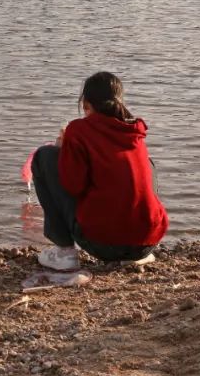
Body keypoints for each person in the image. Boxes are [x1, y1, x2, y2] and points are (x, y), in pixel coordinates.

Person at [31, 72, 168, 270]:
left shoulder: (79, 130)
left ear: (86, 104)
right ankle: (132, 254)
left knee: (44, 156)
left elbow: (72, 186)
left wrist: (64, 150)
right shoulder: (134, 131)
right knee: (145, 164)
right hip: (147, 243)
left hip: (103, 244)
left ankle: (64, 252)